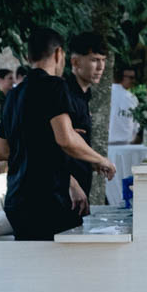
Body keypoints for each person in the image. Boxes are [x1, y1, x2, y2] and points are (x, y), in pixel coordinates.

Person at [0, 27, 115, 241]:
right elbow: (66, 139)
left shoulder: (13, 95)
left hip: (17, 199)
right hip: (48, 199)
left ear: (28, 57)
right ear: (59, 54)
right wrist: (101, 159)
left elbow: (2, 151)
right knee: (64, 260)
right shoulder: (55, 86)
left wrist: (43, 140)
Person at [62, 31, 107, 203]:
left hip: (82, 184)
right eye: (94, 60)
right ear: (75, 62)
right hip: (64, 189)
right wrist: (70, 183)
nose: (100, 67)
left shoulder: (85, 95)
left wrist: (91, 160)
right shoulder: (64, 94)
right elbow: (57, 145)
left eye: (103, 60)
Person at [109, 64, 141, 144]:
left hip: (110, 141)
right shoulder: (131, 98)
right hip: (125, 142)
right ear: (121, 77)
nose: (133, 81)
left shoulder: (106, 93)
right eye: (131, 78)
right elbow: (136, 125)